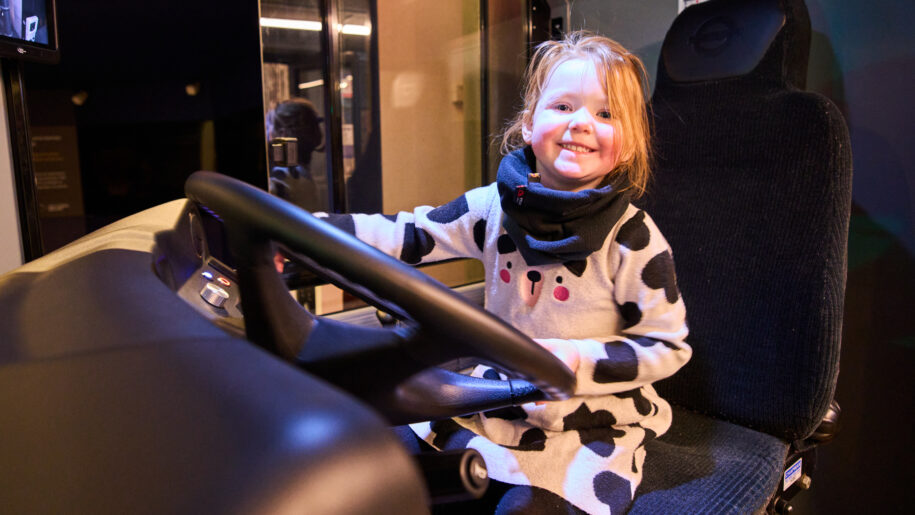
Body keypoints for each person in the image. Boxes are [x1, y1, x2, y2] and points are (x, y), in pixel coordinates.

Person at [317, 31, 690, 514]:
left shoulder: (633, 237)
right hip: (496, 397)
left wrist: (576, 359)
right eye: (563, 106)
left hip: (586, 419)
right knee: (373, 457)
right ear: (529, 124)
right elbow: (409, 233)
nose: (581, 123)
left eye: (605, 114)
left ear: (629, 145)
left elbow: (667, 346)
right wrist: (311, 229)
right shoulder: (493, 207)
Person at [265, 97, 324, 210]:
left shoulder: (283, 179)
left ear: (283, 134)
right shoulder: (303, 175)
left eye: (268, 127)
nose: (267, 134)